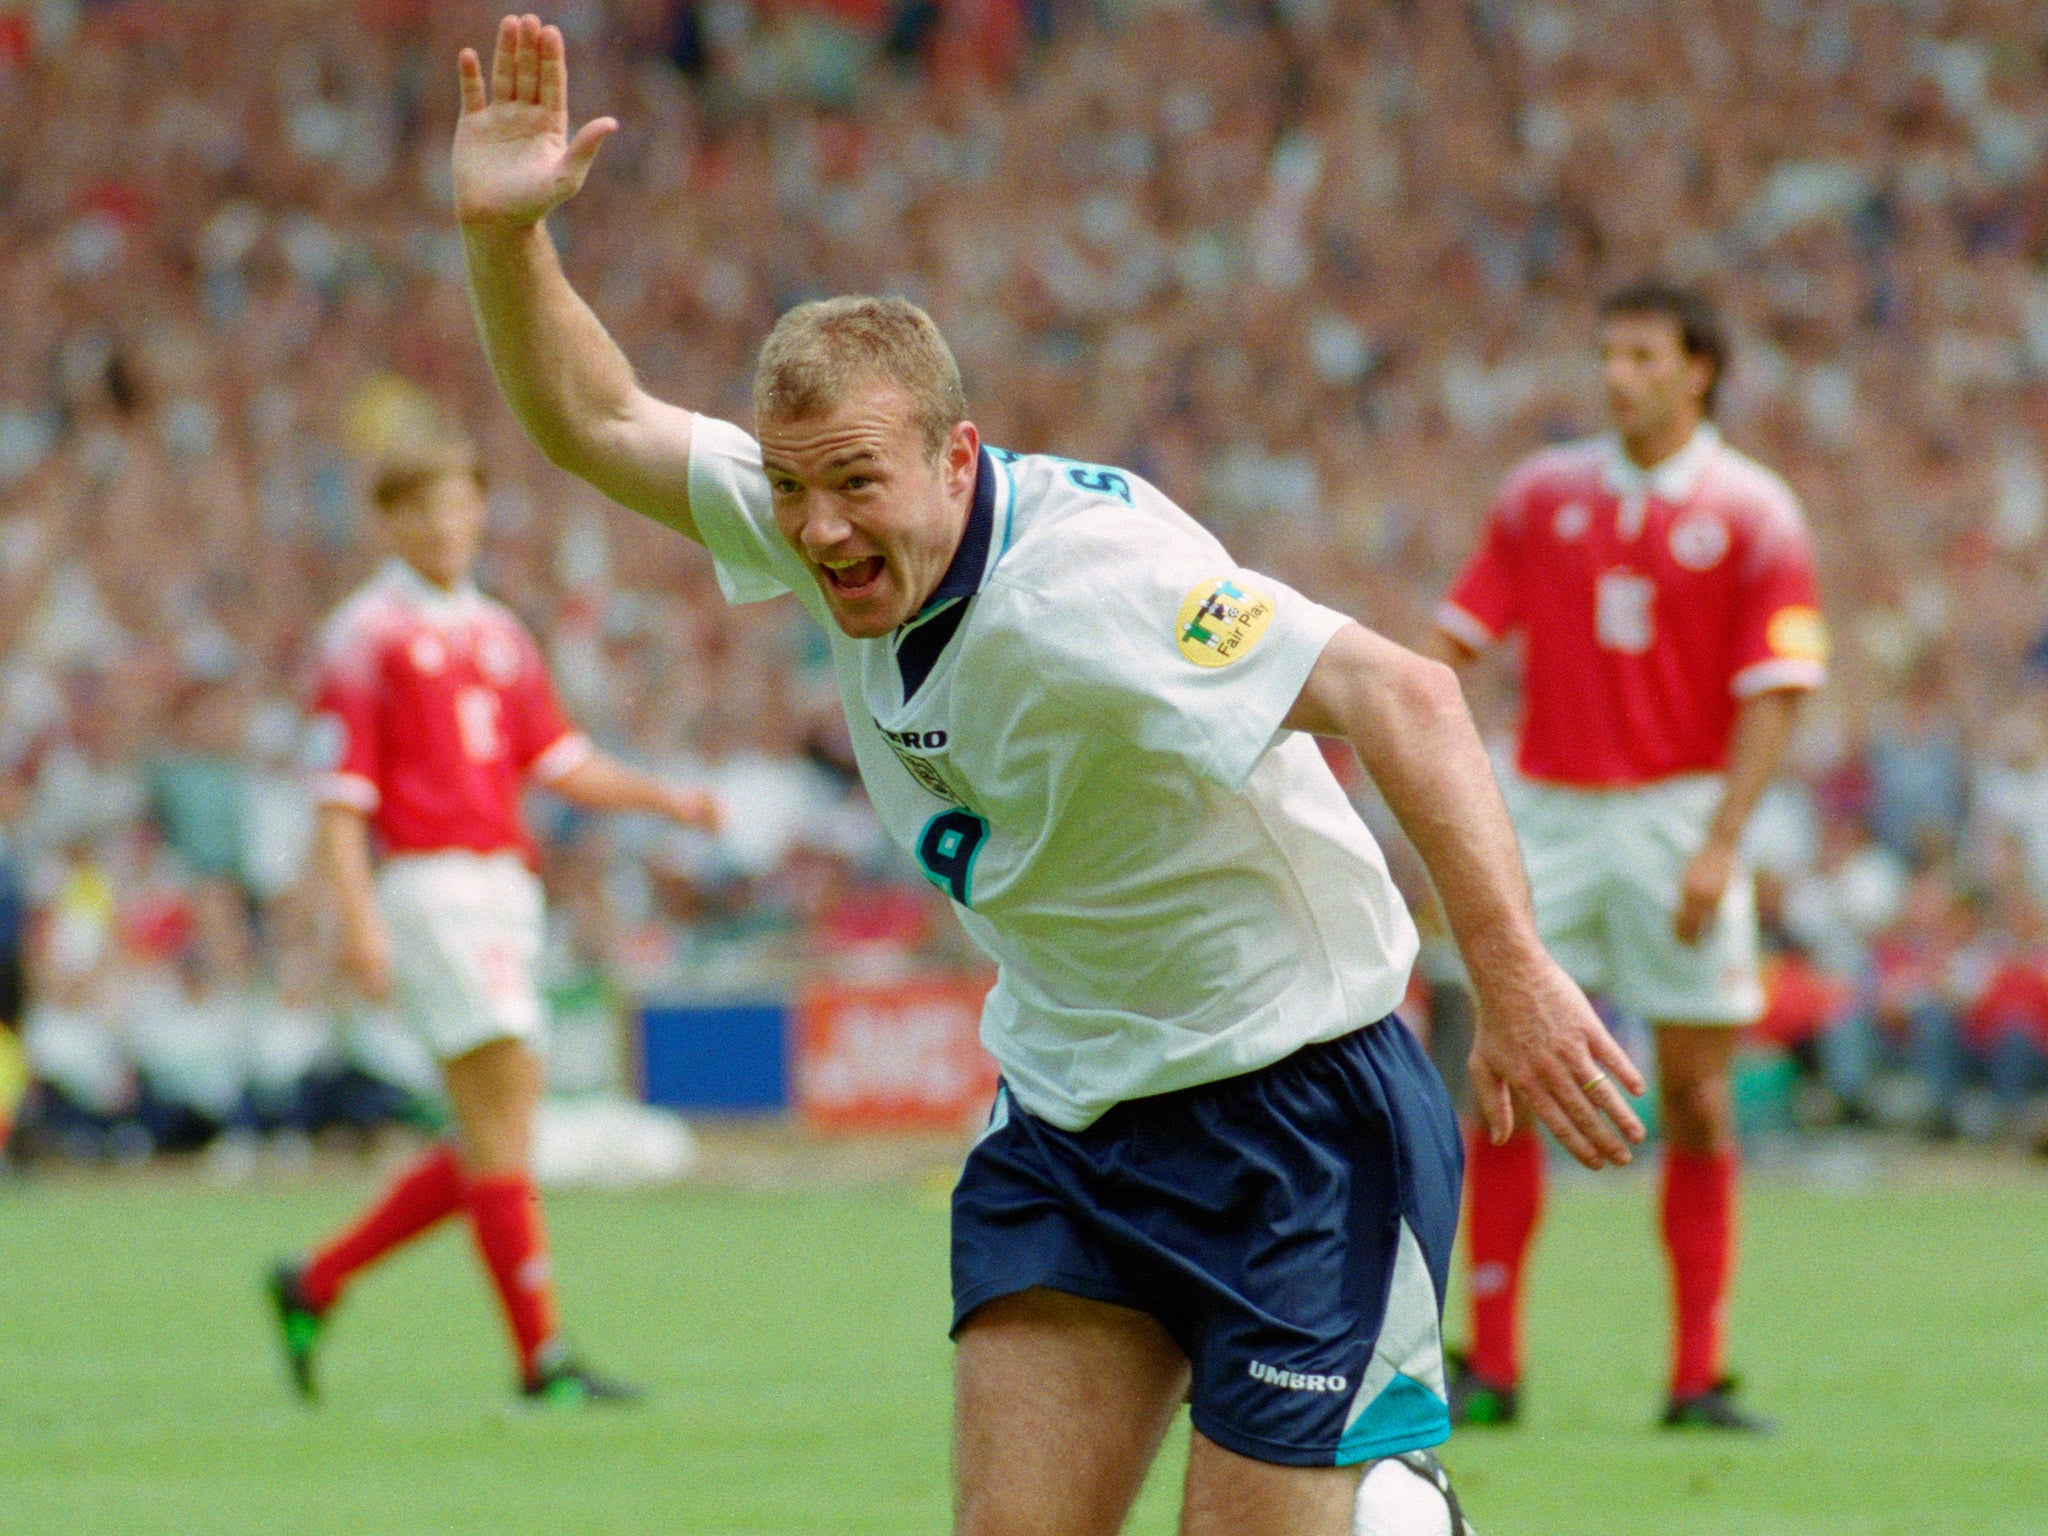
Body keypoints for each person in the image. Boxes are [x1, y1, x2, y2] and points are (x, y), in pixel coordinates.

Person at [451, 17, 1644, 1530]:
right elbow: (596, 417)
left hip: (1290, 1112)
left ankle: (1405, 1512)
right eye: (795, 487)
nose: (817, 530)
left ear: (958, 460)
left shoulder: (1098, 586)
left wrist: (1514, 972)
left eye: (856, 486)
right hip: (1071, 1116)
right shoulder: (825, 517)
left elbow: (1400, 691)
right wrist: (505, 240)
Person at [1431, 282, 1828, 1432]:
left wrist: (1717, 845)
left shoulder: (1755, 510)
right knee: (1502, 1079)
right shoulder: (1539, 493)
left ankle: (1695, 1375)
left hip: (1676, 816)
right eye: (1607, 354)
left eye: (1641, 356)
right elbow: (1450, 640)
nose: (1616, 375)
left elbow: (1775, 695)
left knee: (1698, 1099)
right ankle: (1490, 1363)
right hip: (1546, 816)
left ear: (1697, 369)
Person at [267, 433, 719, 1405]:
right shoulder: (365, 633)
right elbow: (340, 802)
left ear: (479, 511)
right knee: (507, 1112)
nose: (444, 524)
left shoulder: (500, 632)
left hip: (502, 892)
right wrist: (359, 923)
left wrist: (663, 798)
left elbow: (559, 763)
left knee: (494, 1133)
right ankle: (541, 1361)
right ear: (389, 522)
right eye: (422, 507)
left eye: (459, 503)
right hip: (431, 887)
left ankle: (316, 1279)